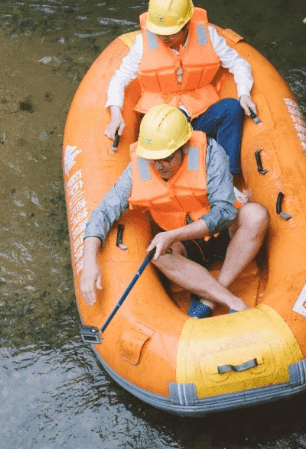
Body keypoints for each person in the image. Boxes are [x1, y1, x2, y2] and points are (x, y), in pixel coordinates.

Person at [82, 104, 268, 318]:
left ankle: (212, 294)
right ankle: (230, 300)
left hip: (220, 232)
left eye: (167, 158)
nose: (159, 166)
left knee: (256, 215)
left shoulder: (210, 153)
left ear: (185, 147)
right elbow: (104, 212)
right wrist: (89, 263)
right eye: (153, 159)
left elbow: (224, 212)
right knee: (157, 255)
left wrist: (172, 235)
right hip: (184, 246)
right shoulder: (139, 167)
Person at [104, 0, 257, 176]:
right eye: (160, 31)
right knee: (170, 138)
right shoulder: (142, 44)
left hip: (199, 114)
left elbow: (239, 64)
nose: (164, 37)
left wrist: (244, 93)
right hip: (161, 122)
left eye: (171, 32)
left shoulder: (207, 35)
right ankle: (187, 175)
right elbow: (119, 79)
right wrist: (116, 115)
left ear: (186, 24)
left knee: (231, 108)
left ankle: (227, 175)